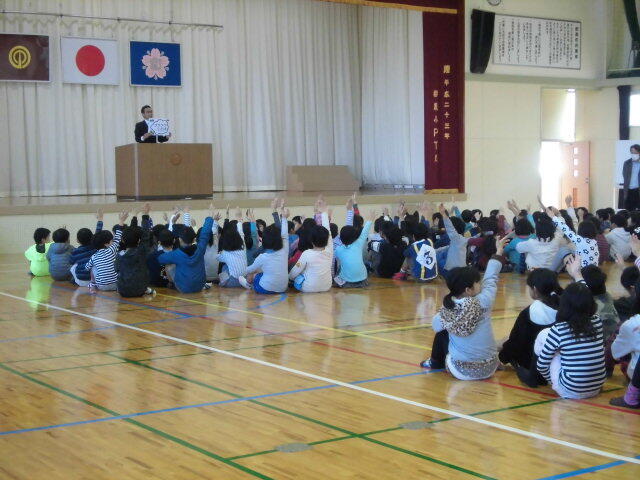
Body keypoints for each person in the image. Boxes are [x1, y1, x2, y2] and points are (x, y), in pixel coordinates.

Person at [421, 236, 510, 381]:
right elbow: (491, 277)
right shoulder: (485, 300)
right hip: (489, 368)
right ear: (468, 290)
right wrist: (498, 252)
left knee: (442, 333)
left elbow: (435, 326)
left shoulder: (449, 308)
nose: (481, 284)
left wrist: (449, 320)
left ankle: (434, 362)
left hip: (460, 371)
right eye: (478, 282)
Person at [535, 257, 606, 399]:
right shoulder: (597, 321)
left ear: (564, 304)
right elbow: (586, 296)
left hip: (569, 390)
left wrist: (553, 381)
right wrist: (577, 274)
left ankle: (557, 383)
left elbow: (541, 365)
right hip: (596, 387)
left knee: (544, 336)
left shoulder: (559, 330)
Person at [500, 269, 560, 386]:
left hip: (534, 366)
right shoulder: (563, 306)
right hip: (557, 365)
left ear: (535, 290)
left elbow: (516, 343)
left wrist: (502, 355)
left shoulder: (529, 312)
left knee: (508, 343)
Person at [158, 206, 215, 293]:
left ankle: (172, 285)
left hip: (183, 288)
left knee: (169, 266)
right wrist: (210, 217)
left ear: (180, 239)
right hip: (200, 286)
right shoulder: (200, 248)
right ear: (194, 239)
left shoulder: (176, 254)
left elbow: (160, 259)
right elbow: (205, 233)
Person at [240, 203, 289, 294]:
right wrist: (284, 218)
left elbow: (248, 270)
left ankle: (248, 284)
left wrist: (241, 269)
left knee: (255, 275)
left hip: (265, 289)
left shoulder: (262, 257)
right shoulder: (284, 250)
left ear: (265, 240)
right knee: (261, 271)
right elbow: (285, 235)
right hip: (283, 288)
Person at [288, 200, 333, 293]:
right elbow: (328, 230)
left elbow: (295, 272)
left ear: (311, 241)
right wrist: (324, 213)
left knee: (298, 274)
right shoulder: (330, 249)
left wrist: (289, 278)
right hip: (327, 286)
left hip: (308, 288)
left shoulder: (306, 253)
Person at [86, 211, 129, 292]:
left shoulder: (94, 256)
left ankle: (93, 284)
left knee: (93, 267)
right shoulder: (112, 250)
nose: (113, 241)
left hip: (102, 287)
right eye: (112, 240)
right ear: (106, 244)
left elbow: (87, 267)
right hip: (117, 285)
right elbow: (118, 235)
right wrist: (121, 220)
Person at [622, 144, 640, 211]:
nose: (633, 154)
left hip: (638, 190)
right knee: (628, 211)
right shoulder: (627, 163)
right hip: (628, 191)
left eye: (635, 152)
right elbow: (624, 175)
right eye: (632, 152)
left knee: (637, 212)